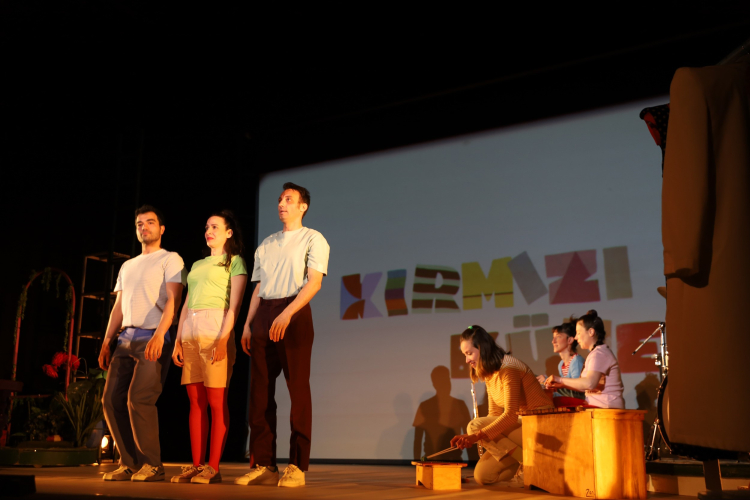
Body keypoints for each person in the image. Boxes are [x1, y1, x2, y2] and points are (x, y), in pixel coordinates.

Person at [236, 182, 330, 488]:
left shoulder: (313, 238)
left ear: (303, 206)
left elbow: (314, 282)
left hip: (294, 310)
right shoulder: (266, 243)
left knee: (297, 390)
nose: (281, 203)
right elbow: (258, 288)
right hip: (264, 312)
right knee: (260, 393)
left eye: (288, 199)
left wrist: (288, 313)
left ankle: (297, 466)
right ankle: (264, 463)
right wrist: (248, 324)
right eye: (279, 199)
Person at [99, 205, 185, 482]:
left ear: (161, 229)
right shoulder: (128, 265)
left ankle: (153, 465)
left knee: (139, 398)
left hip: (153, 336)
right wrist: (106, 341)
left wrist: (160, 334)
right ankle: (129, 463)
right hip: (125, 338)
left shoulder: (170, 259)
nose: (144, 227)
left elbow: (173, 300)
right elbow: (119, 306)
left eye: (150, 222)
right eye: (139, 224)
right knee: (111, 400)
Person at [169, 210, 248, 484]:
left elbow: (235, 305)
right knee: (195, 402)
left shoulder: (235, 262)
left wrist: (223, 339)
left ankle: (213, 467)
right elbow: (187, 303)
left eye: (215, 227)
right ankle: (196, 465)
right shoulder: (198, 264)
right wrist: (178, 339)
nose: (208, 231)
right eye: (206, 227)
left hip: (216, 330)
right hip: (190, 331)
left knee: (216, 402)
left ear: (229, 232)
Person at [451, 325, 553, 486]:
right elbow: (494, 414)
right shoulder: (490, 372)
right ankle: (526, 463)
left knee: (474, 426)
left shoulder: (508, 367)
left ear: (482, 348)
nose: (467, 360)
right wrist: (473, 436)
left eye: (469, 353)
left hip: (538, 424)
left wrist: (476, 436)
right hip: (519, 429)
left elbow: (510, 415)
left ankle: (529, 464)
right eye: (465, 355)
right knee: (483, 476)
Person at [545, 310, 625, 409]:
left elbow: (590, 383)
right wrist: (561, 384)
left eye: (578, 333)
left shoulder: (599, 354)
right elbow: (586, 387)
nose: (575, 337)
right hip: (598, 406)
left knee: (555, 401)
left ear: (591, 332)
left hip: (606, 408)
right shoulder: (596, 353)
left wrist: (559, 379)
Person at [536, 322, 585, 402]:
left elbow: (576, 391)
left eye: (558, 337)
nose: (553, 341)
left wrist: (547, 381)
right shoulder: (561, 364)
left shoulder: (576, 361)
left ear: (570, 340)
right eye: (553, 338)